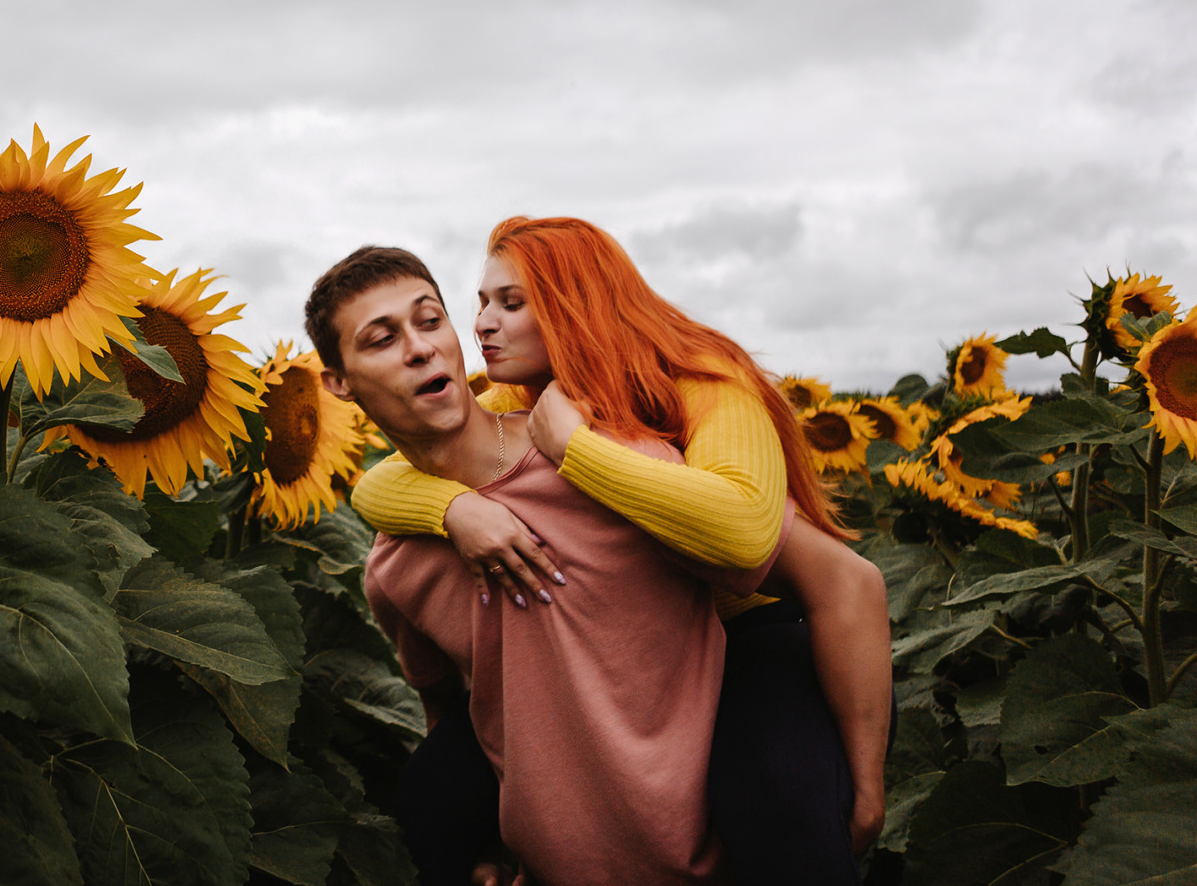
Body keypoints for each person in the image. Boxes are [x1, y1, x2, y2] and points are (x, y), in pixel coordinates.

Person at [347, 217, 892, 886]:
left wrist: (869, 790)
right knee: (436, 792)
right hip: (625, 644)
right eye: (481, 303)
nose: (482, 325)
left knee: (771, 801)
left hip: (742, 632)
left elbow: (798, 561)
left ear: (576, 306)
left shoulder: (702, 385)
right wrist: (453, 508)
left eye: (511, 304)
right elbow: (386, 477)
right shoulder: (528, 390)